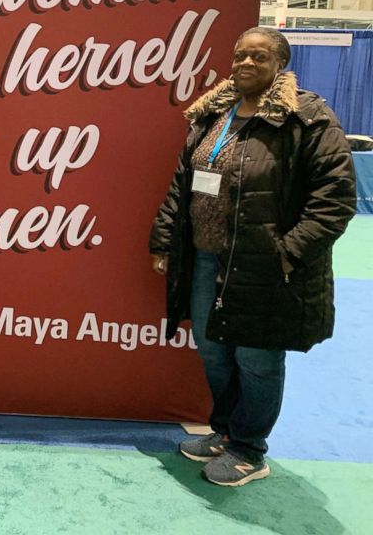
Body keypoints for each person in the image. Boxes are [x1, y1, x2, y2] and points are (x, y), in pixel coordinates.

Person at [149, 26, 356, 487]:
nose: (246, 63)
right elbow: (183, 184)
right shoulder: (213, 114)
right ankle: (225, 431)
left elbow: (336, 199)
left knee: (257, 359)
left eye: (259, 57)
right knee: (213, 350)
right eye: (240, 54)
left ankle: (249, 449)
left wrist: (288, 253)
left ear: (279, 64)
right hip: (206, 258)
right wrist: (165, 240)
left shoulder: (308, 117)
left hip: (265, 264)